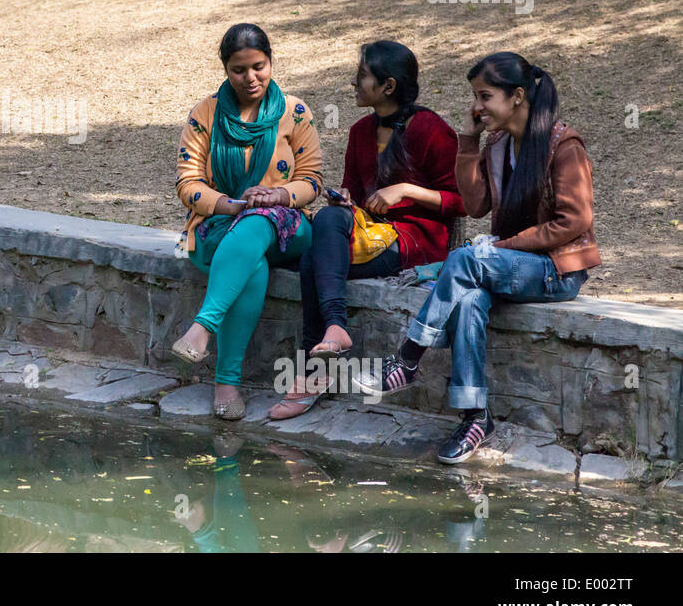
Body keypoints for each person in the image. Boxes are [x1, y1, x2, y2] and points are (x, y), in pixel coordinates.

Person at [359, 53, 599, 464]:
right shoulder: (499, 144)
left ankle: (409, 356)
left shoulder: (563, 145)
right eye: (475, 96)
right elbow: (474, 205)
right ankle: (475, 417)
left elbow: (574, 221)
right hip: (508, 266)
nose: (477, 106)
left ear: (518, 96)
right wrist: (469, 142)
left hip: (556, 270)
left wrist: (499, 248)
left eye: (485, 96)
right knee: (468, 299)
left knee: (468, 259)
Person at [269, 41, 464, 420]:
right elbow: (352, 195)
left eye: (361, 77)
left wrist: (405, 190)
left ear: (387, 86)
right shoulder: (360, 131)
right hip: (364, 233)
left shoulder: (432, 130)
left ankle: (316, 367)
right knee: (326, 224)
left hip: (415, 240)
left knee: (313, 259)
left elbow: (463, 202)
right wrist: (344, 200)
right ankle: (334, 331)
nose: (352, 84)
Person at [171, 23, 323, 420]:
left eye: (259, 66)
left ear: (270, 61)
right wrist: (230, 205)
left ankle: (203, 328)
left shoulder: (296, 112)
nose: (251, 78)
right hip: (220, 223)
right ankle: (226, 384)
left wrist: (277, 196)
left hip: (287, 226)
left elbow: (313, 180)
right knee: (252, 261)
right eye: (239, 70)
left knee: (258, 223)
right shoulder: (205, 114)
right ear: (225, 70)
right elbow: (187, 184)